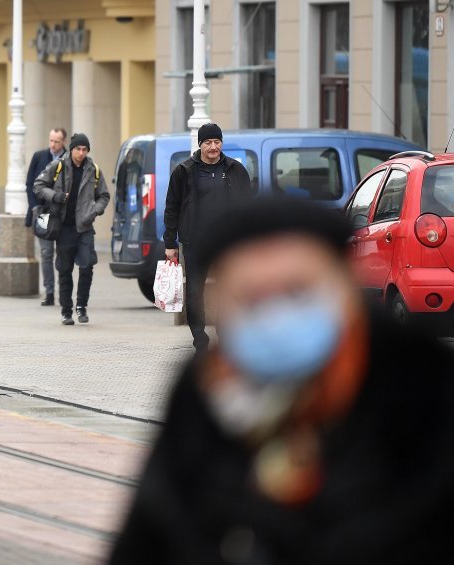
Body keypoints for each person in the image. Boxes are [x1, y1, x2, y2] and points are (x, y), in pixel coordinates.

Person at [110, 198, 454, 565]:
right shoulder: (204, 392)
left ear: (345, 283)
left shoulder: (422, 384)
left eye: (297, 292)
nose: (276, 317)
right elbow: (151, 531)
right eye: (252, 300)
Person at [163, 122, 254, 352]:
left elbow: (249, 206)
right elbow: (171, 207)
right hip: (195, 243)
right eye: (208, 143)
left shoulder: (235, 170)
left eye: (216, 142)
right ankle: (199, 339)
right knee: (195, 291)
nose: (213, 147)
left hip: (228, 243)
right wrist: (170, 244)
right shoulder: (184, 171)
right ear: (200, 145)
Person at [34, 133, 110, 325]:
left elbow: (104, 195)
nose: (81, 153)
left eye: (85, 150)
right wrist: (55, 196)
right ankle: (66, 311)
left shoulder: (94, 170)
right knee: (64, 269)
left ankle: (81, 307)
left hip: (84, 226)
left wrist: (95, 210)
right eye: (78, 149)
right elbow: (38, 185)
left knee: (87, 267)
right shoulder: (58, 166)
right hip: (64, 227)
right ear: (72, 149)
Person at [26, 128, 67, 306]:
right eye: (51, 140)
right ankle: (49, 291)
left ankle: (64, 290)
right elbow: (30, 183)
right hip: (43, 212)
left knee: (64, 253)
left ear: (63, 141)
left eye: (56, 141)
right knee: (46, 252)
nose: (53, 144)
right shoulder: (39, 156)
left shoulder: (69, 158)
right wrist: (34, 206)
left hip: (63, 213)